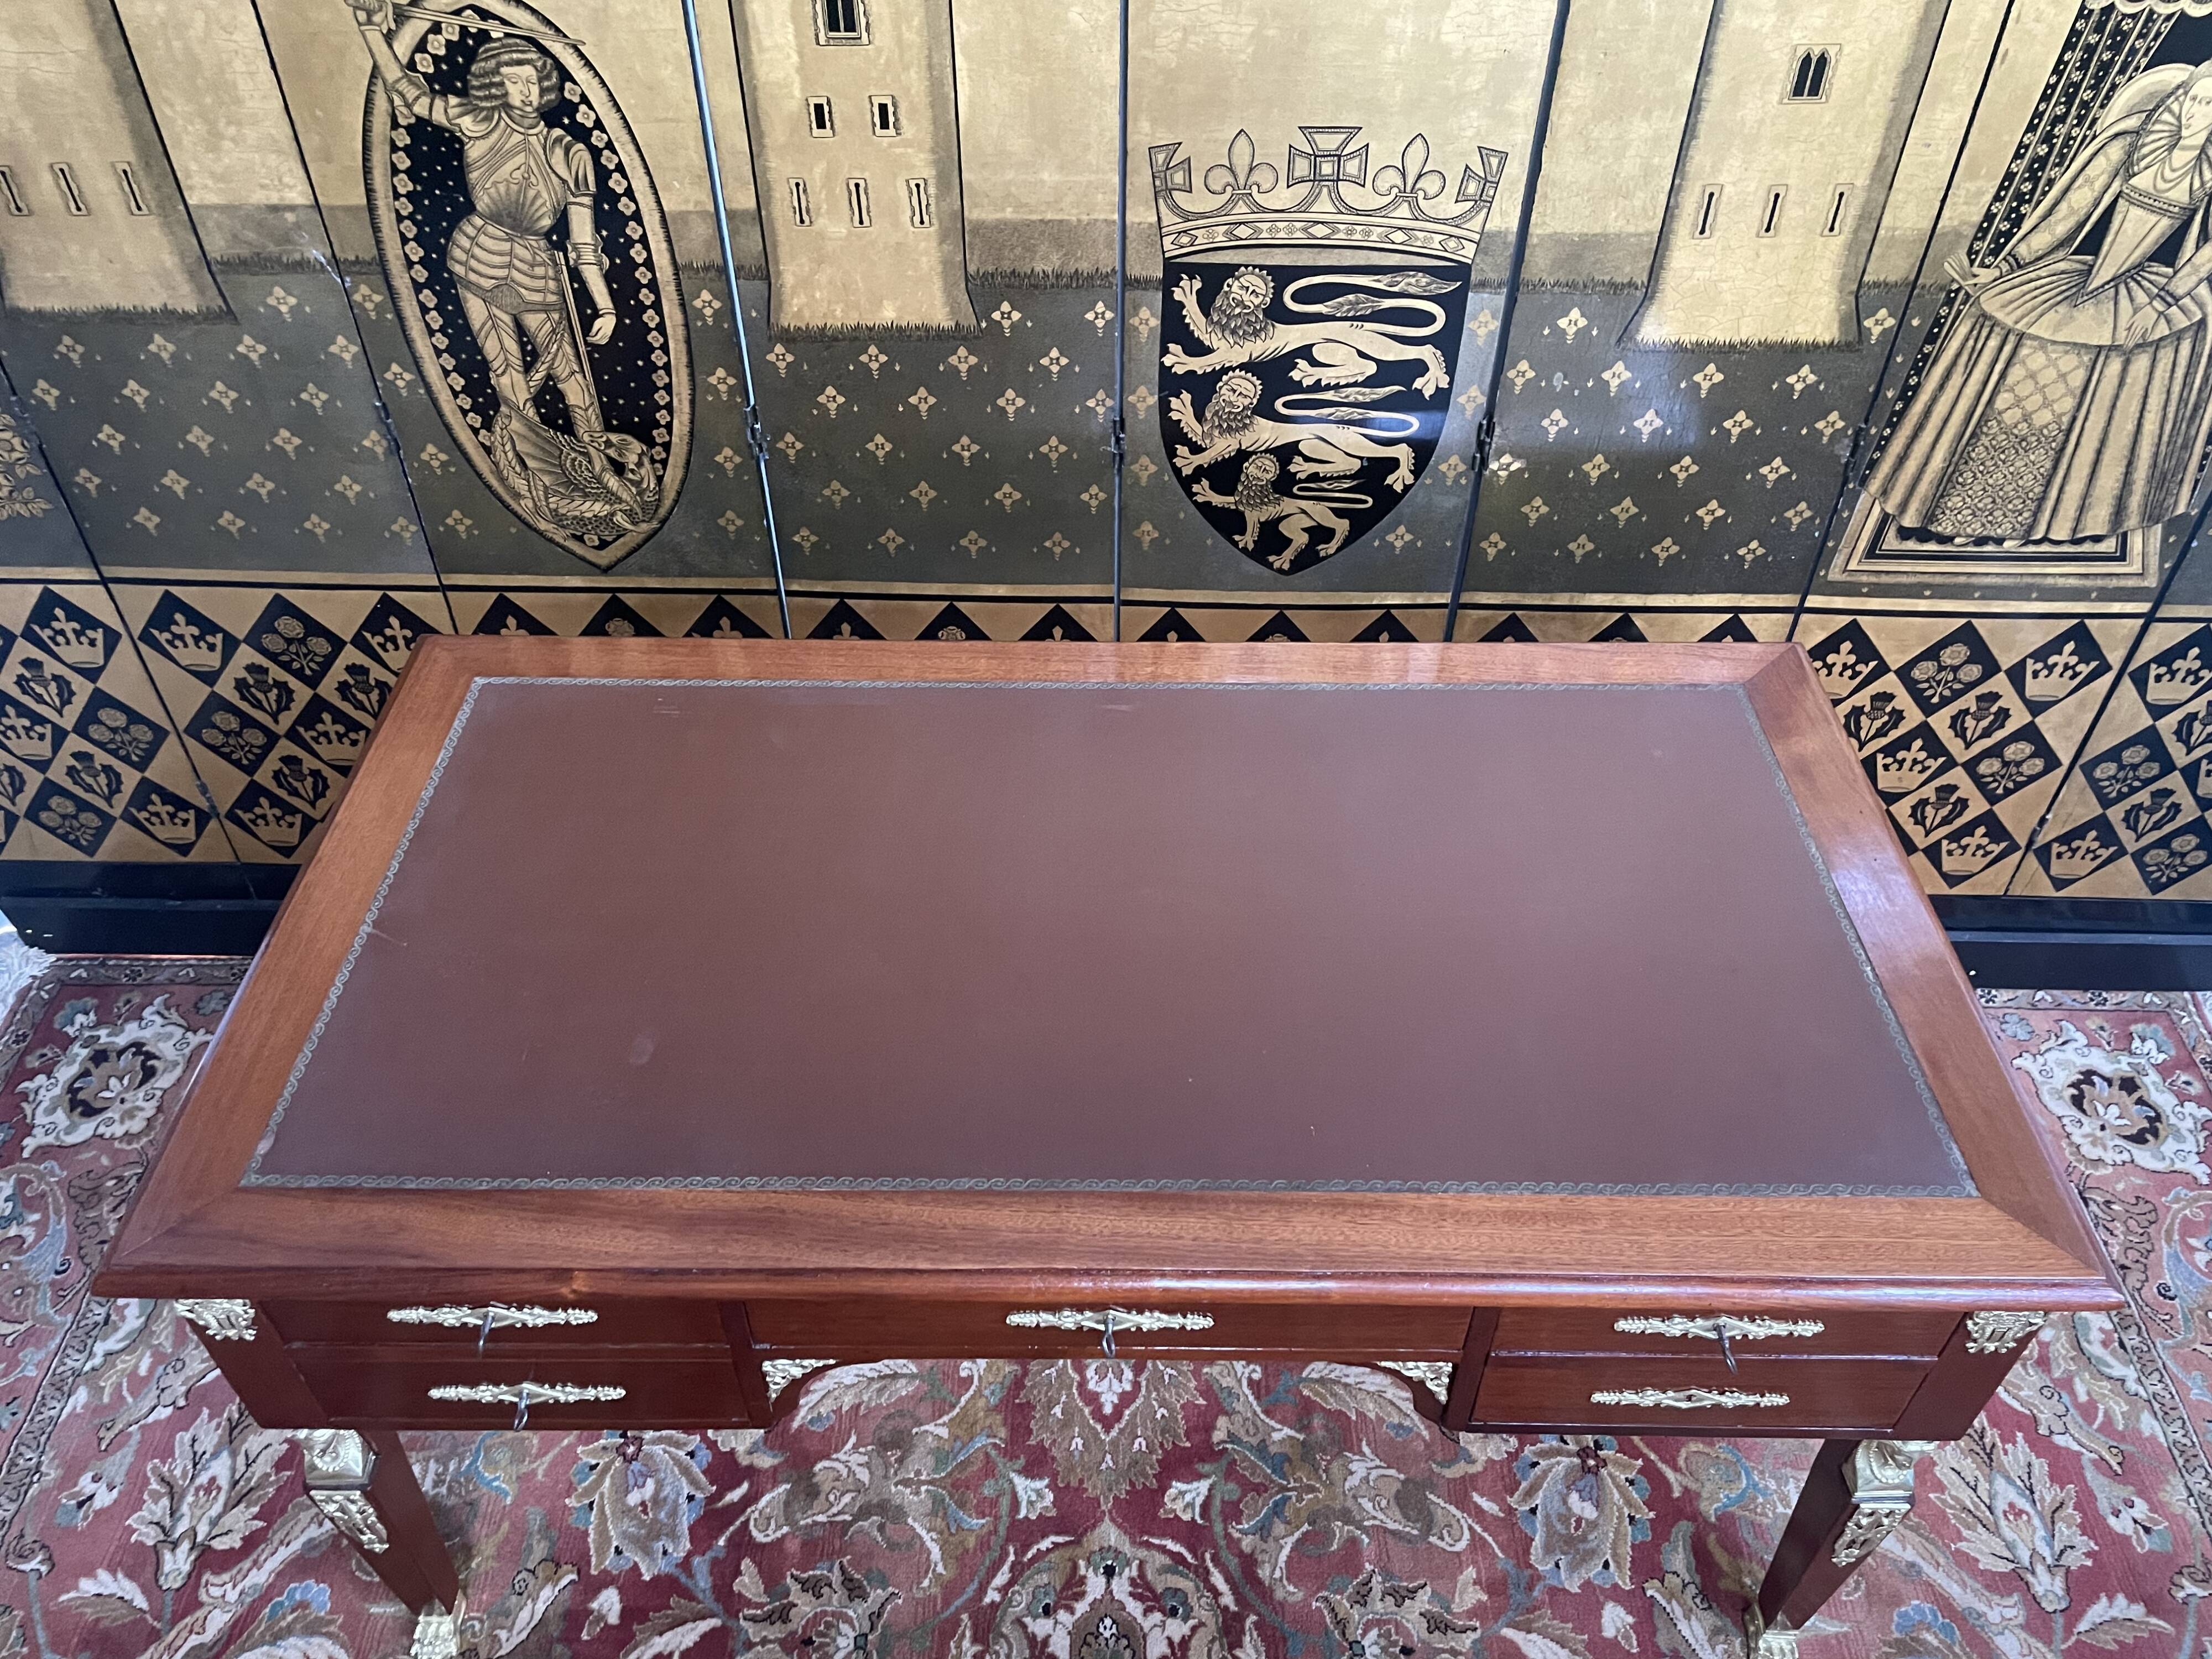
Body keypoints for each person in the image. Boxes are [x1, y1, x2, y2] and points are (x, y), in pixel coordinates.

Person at [1866, 59, 2212, 546]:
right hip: (2078, 279)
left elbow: (2205, 256)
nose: (2197, 111)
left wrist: (2162, 304)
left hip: (2153, 290)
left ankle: (2049, 522)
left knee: (2096, 384)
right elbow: (2065, 217)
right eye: (2194, 98)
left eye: (2210, 105)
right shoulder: (2130, 147)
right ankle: (1970, 511)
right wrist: (2007, 267)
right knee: (2012, 363)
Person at [349, 0, 615, 438]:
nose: (526, 91)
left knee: (570, 375)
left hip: (536, 266)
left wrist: (604, 305)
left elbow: (583, 244)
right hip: (477, 254)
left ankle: (599, 461)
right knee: (506, 372)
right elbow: (408, 92)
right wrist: (371, 31)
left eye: (532, 80)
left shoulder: (570, 152)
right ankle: (534, 461)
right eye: (514, 80)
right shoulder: (479, 120)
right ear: (496, 84)